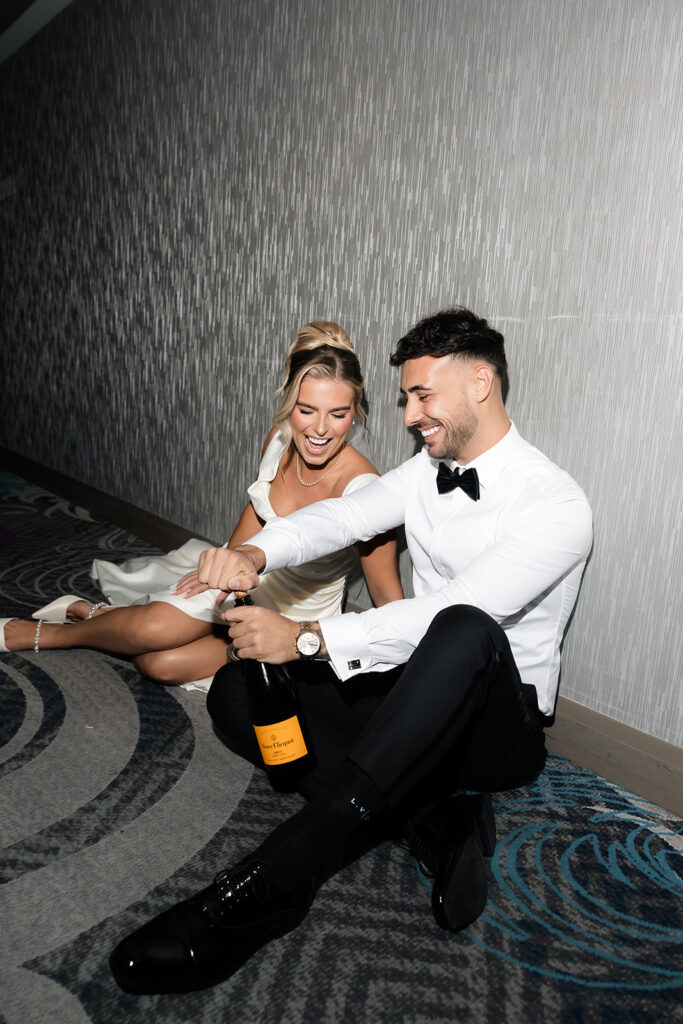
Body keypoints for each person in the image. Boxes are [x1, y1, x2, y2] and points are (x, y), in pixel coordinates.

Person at [109, 306, 593, 995]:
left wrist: (308, 637)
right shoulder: (425, 469)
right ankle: (429, 820)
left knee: (461, 625)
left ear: (479, 384)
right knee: (235, 691)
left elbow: (452, 614)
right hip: (411, 698)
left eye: (422, 394)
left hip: (495, 726)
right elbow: (337, 517)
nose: (407, 414)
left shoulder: (556, 503)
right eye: (404, 397)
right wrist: (254, 549)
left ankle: (276, 879)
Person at [0, 322, 403, 682]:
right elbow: (260, 509)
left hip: (292, 620)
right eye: (306, 409)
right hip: (243, 583)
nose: (318, 429)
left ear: (355, 414)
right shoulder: (280, 442)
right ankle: (52, 634)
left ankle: (103, 618)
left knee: (157, 664)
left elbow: (387, 599)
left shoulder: (368, 494)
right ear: (288, 405)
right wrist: (226, 558)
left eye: (337, 413)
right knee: (151, 631)